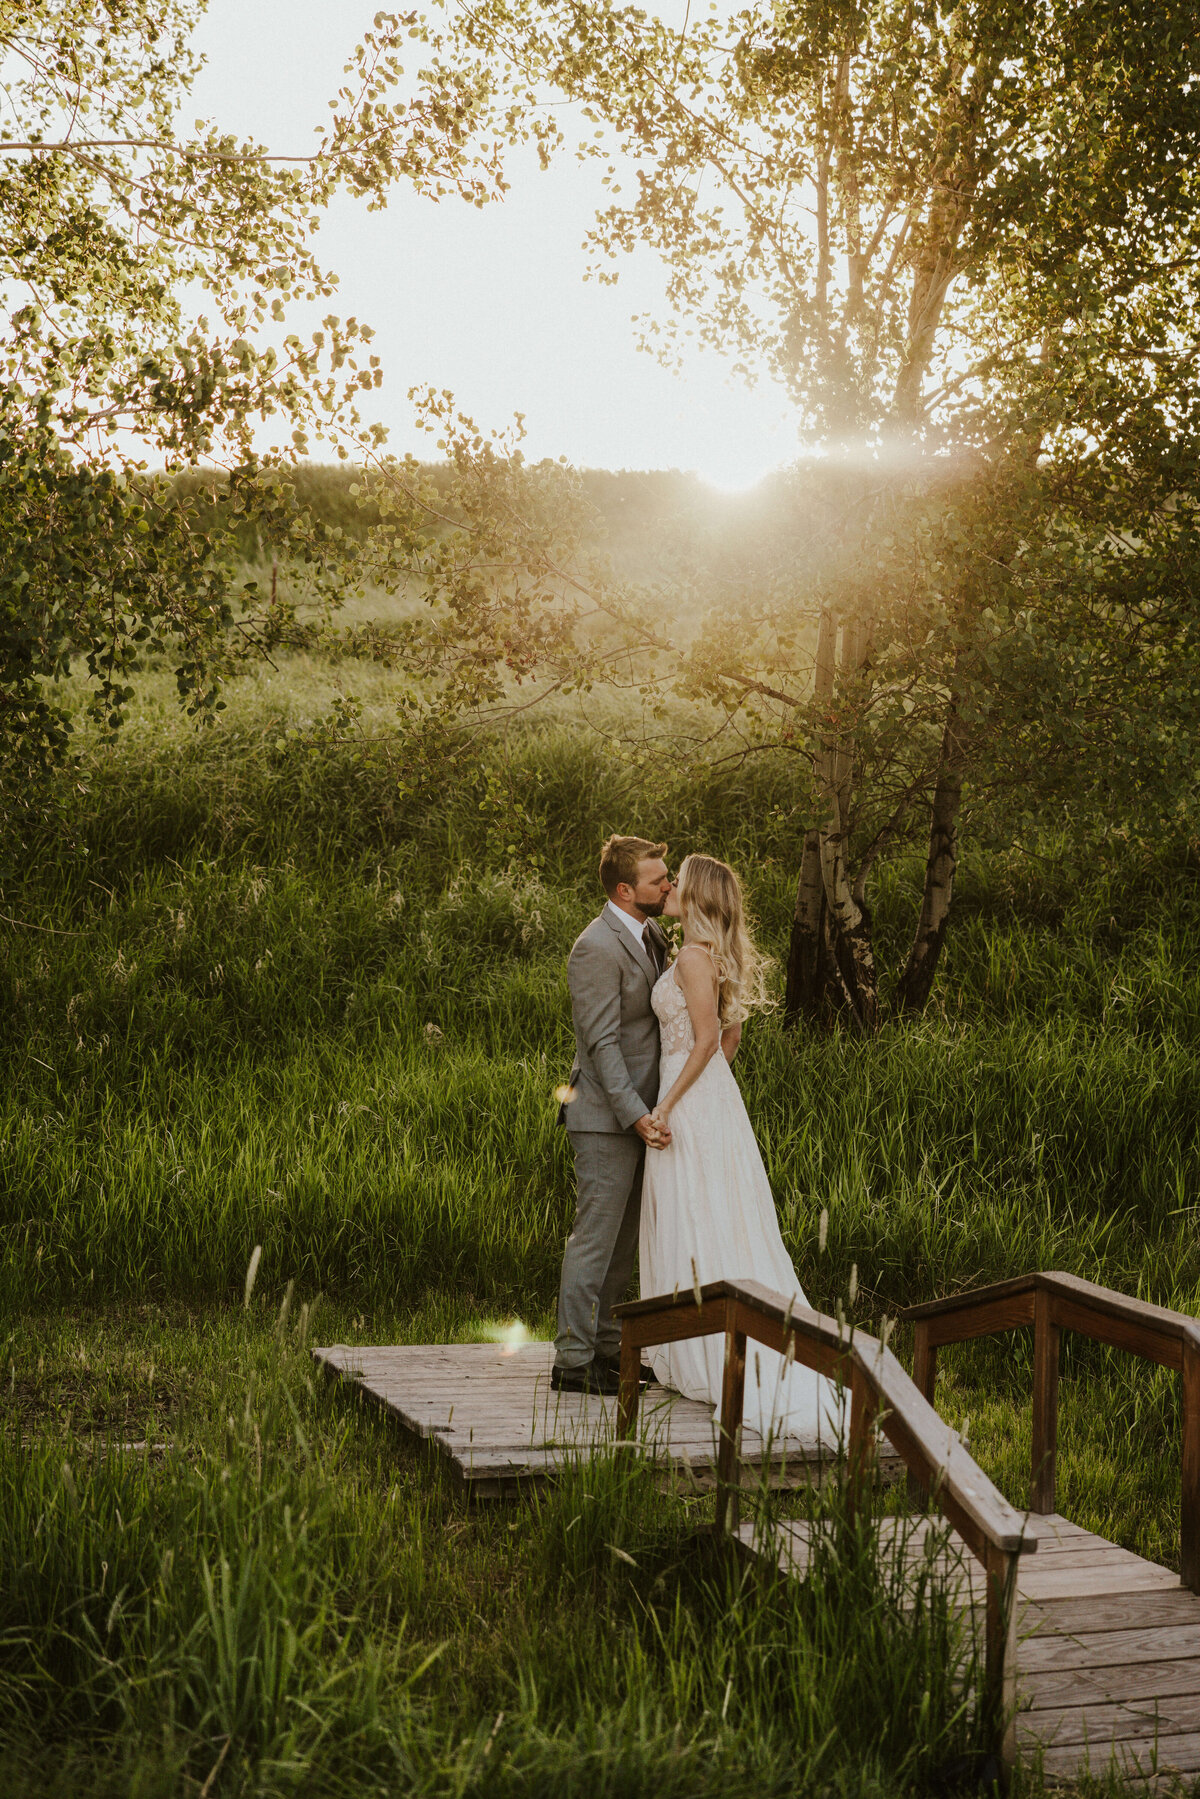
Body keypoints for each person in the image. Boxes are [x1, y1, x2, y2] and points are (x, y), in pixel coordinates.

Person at [639, 852, 840, 1439]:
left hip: (688, 1098)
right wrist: (708, 1097)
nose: (670, 885)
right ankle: (687, 1344)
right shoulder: (711, 956)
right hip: (708, 1098)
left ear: (698, 896)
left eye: (679, 879)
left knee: (696, 1213)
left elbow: (705, 1040)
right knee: (701, 1212)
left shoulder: (693, 957)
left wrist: (670, 1104)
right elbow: (728, 1042)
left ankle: (702, 1347)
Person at [552, 834, 674, 1394]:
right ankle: (572, 1363)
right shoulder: (595, 947)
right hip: (606, 1116)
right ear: (625, 890)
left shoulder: (651, 934)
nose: (668, 885)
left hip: (643, 1114)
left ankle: (605, 1350)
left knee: (624, 1241)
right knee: (594, 1239)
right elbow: (600, 1044)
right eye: (658, 880)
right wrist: (635, 1115)